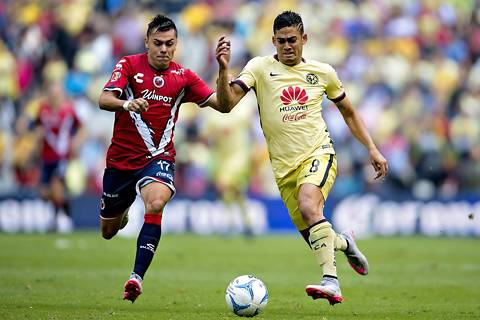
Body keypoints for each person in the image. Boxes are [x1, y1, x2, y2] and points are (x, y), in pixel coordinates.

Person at [215, 11, 388, 305]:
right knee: (314, 235)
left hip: (319, 153)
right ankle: (344, 242)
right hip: (283, 170)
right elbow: (225, 104)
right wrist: (222, 70)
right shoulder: (258, 68)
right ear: (273, 41)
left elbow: (348, 112)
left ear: (304, 39)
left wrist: (371, 147)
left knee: (310, 204)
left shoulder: (323, 72)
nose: (287, 46)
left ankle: (331, 283)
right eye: (281, 41)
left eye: (292, 40)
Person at [98, 14, 224, 303]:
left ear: (177, 44)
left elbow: (222, 105)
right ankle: (124, 209)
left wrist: (224, 69)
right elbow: (104, 99)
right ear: (147, 42)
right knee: (108, 230)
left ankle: (136, 277)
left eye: (169, 44)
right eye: (158, 43)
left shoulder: (184, 77)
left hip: (158, 157)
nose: (164, 49)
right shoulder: (129, 65)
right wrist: (128, 103)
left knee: (155, 202)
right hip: (120, 161)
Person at [34, 81, 84, 232]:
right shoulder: (43, 109)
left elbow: (82, 127)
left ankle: (56, 221)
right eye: (52, 94)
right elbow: (37, 126)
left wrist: (75, 142)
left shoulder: (68, 110)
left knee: (56, 187)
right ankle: (65, 203)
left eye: (57, 94)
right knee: (43, 193)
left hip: (61, 156)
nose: (55, 97)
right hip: (46, 156)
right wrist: (38, 135)